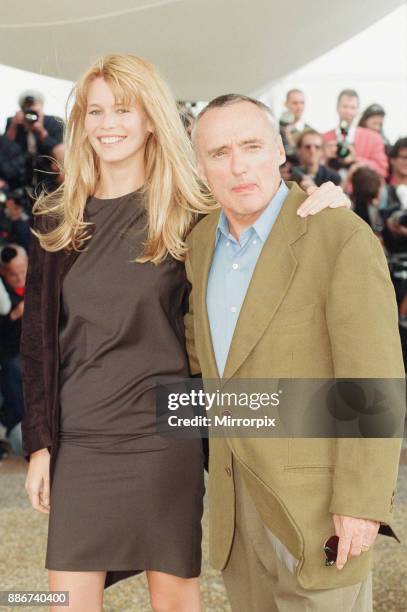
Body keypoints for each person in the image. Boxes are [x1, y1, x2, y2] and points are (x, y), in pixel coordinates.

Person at [21, 54, 348, 612]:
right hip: (81, 438)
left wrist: (324, 203)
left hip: (164, 434)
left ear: (151, 117)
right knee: (62, 602)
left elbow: (265, 225)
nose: (107, 123)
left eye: (123, 108)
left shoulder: (194, 210)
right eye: (94, 111)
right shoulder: (58, 218)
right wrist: (39, 445)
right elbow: (38, 343)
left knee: (174, 598)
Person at [185, 94, 404, 612]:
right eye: (218, 152)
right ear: (200, 166)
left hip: (319, 513)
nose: (237, 165)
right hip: (238, 517)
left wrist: (360, 504)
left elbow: (373, 380)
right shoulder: (197, 246)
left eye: (251, 145)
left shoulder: (337, 236)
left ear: (279, 148)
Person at [5, 90, 64, 192]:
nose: (30, 112)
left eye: (33, 107)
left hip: (46, 172)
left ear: (41, 107)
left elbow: (59, 149)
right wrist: (14, 126)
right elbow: (6, 148)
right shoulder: (14, 122)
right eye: (27, 108)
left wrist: (41, 132)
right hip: (20, 174)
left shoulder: (55, 122)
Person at [323, 89, 388, 180]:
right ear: (337, 108)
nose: (348, 111)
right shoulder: (324, 138)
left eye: (352, 107)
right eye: (345, 107)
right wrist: (324, 158)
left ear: (358, 110)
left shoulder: (374, 138)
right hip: (331, 187)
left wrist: (355, 159)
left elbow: (382, 170)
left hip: (361, 190)